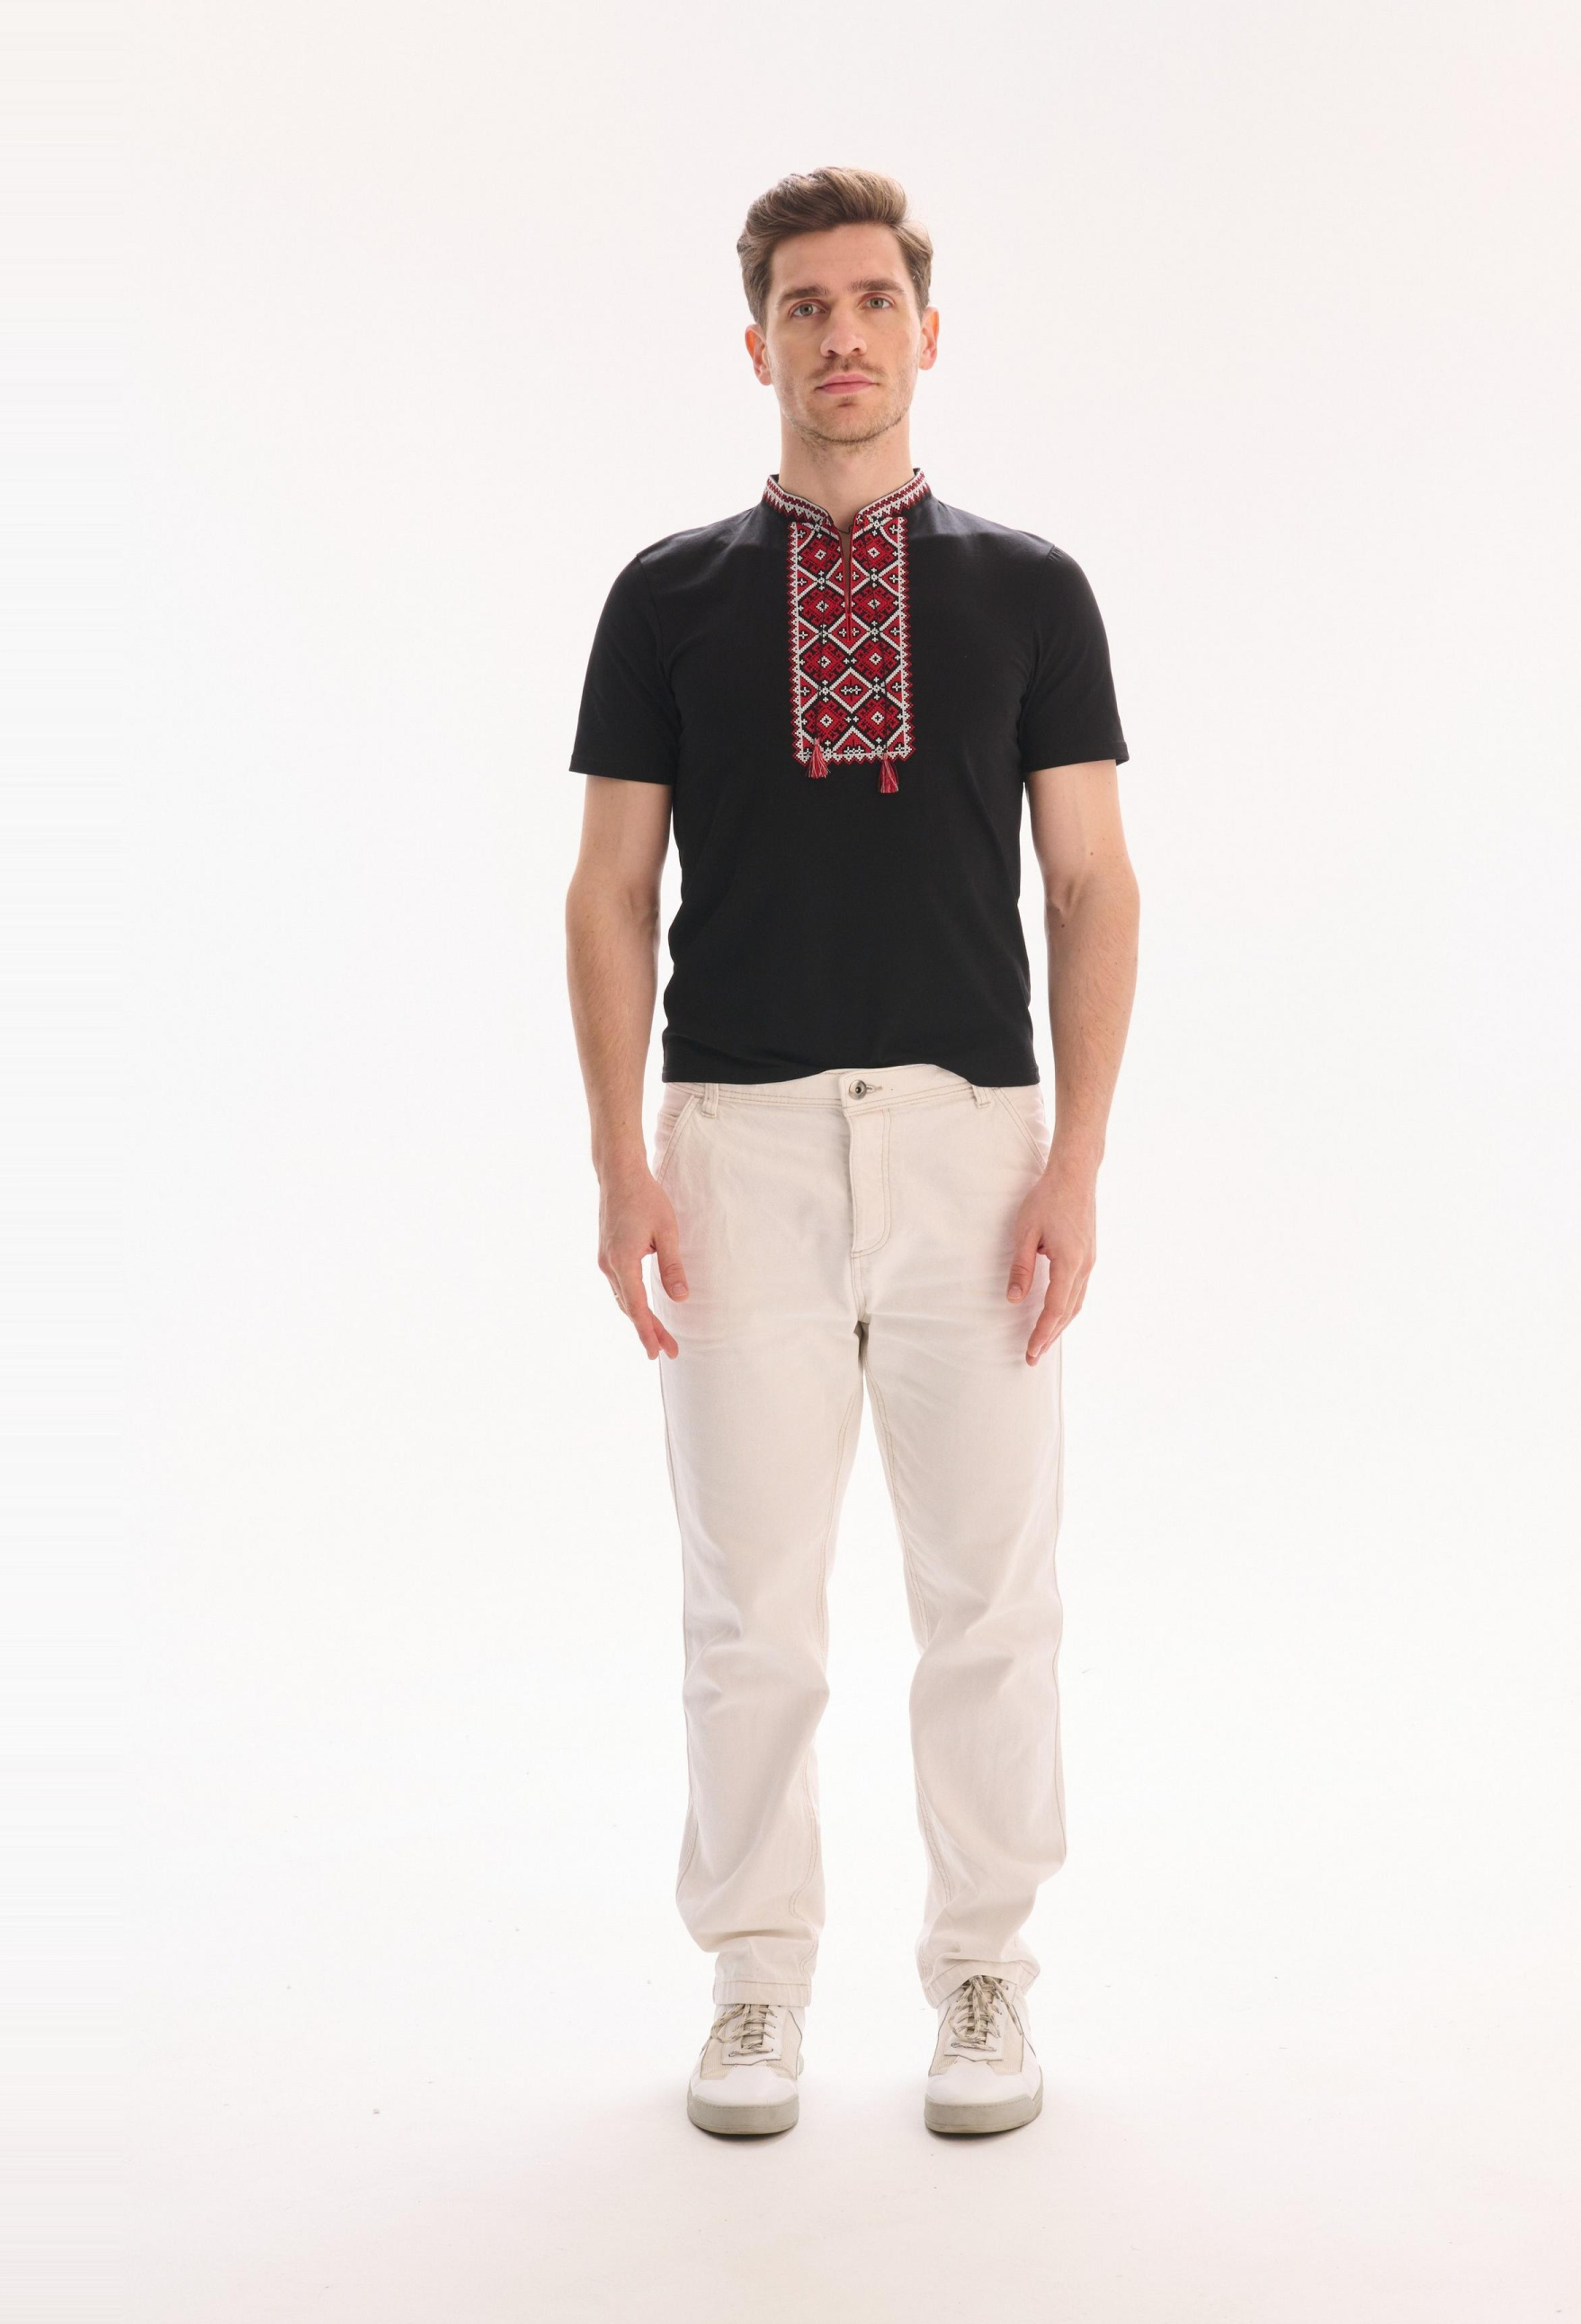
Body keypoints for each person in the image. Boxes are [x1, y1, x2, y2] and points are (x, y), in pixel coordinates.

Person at [564, 166, 1139, 2138]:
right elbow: (607, 889)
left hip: (971, 1148)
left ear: (925, 332)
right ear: (757, 345)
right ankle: (754, 1983)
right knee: (751, 1609)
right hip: (737, 1148)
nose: (840, 335)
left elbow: (1090, 881)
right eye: (804, 306)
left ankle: (984, 1972)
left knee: (991, 1596)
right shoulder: (665, 598)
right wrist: (619, 1161)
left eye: (872, 300)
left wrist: (1073, 1163)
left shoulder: (1029, 591)